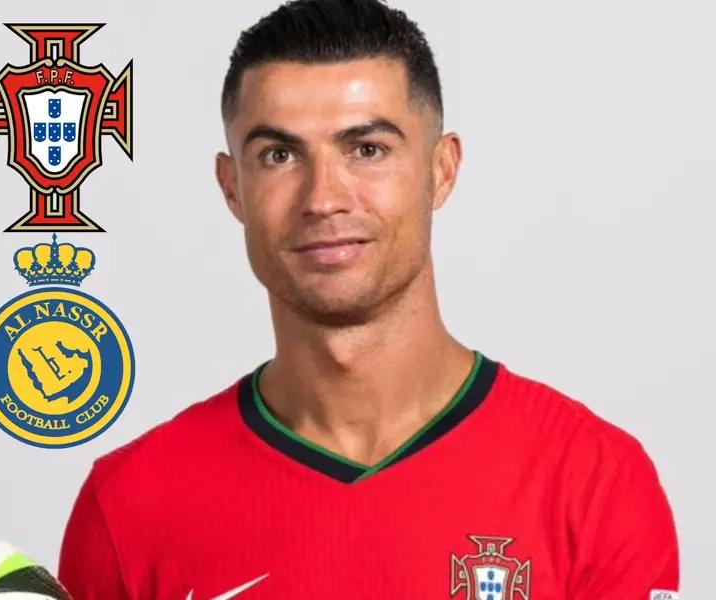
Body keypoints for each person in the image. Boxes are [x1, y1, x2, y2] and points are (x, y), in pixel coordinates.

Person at [58, 0, 679, 598]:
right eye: (279, 155)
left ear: (442, 170)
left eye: (367, 149)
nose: (323, 197)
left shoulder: (594, 483)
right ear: (232, 188)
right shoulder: (130, 503)